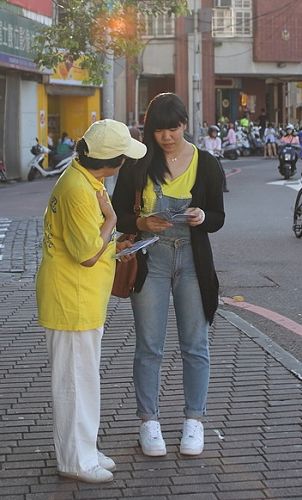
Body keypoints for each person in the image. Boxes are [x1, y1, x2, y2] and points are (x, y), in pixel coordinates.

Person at [112, 93, 225, 458]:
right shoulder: (137, 163)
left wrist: (202, 217)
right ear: (150, 131)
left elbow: (218, 217)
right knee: (149, 346)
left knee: (196, 344)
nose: (167, 137)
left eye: (173, 129)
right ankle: (149, 422)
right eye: (159, 130)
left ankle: (195, 421)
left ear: (185, 125)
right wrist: (142, 222)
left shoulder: (206, 163)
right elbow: (116, 216)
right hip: (150, 259)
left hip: (193, 260)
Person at [36, 119, 146, 483]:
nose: (125, 165)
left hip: (79, 298)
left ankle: (84, 448)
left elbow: (91, 245)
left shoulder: (85, 180)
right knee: (75, 381)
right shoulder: (80, 190)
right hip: (72, 299)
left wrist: (115, 242)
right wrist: (112, 218)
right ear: (111, 161)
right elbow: (86, 253)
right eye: (123, 158)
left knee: (82, 378)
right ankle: (75, 459)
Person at [203, 125, 229, 192]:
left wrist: (215, 150)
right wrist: (214, 150)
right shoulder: (206, 139)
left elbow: (218, 149)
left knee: (221, 171)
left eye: (216, 132)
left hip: (216, 157)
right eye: (213, 132)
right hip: (208, 157)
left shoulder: (218, 140)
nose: (215, 134)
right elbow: (209, 149)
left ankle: (224, 187)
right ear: (210, 132)